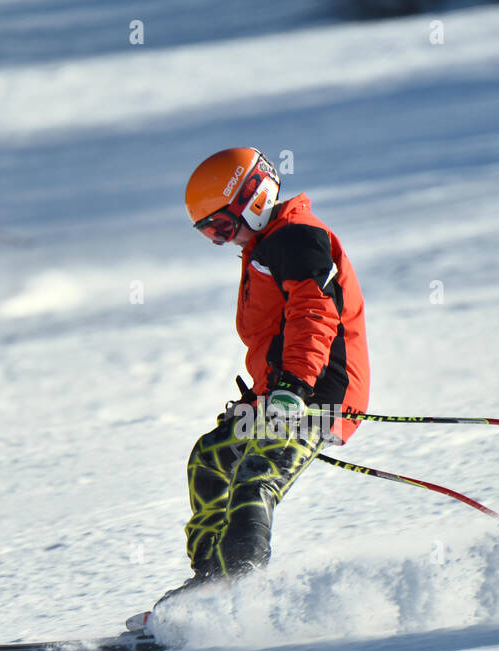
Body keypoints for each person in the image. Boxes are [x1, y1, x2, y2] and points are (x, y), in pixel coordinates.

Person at [152, 147, 371, 612]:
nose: (221, 240)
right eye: (209, 233)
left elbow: (314, 313)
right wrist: (265, 393)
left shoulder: (296, 238)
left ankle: (242, 594)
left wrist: (293, 386)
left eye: (222, 227)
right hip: (281, 392)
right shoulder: (266, 245)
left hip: (316, 393)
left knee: (255, 477)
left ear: (254, 198)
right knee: (209, 459)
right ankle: (211, 583)